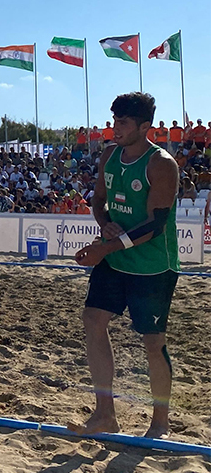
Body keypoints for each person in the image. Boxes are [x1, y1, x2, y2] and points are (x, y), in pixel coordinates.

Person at [71, 92, 180, 439]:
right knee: (92, 320)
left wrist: (106, 248)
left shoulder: (161, 164)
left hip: (153, 265)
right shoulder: (109, 155)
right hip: (116, 256)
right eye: (113, 120)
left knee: (152, 341)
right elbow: (99, 202)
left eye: (123, 122)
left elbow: (154, 225)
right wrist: (104, 224)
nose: (114, 128)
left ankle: (159, 423)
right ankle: (105, 414)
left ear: (145, 126)